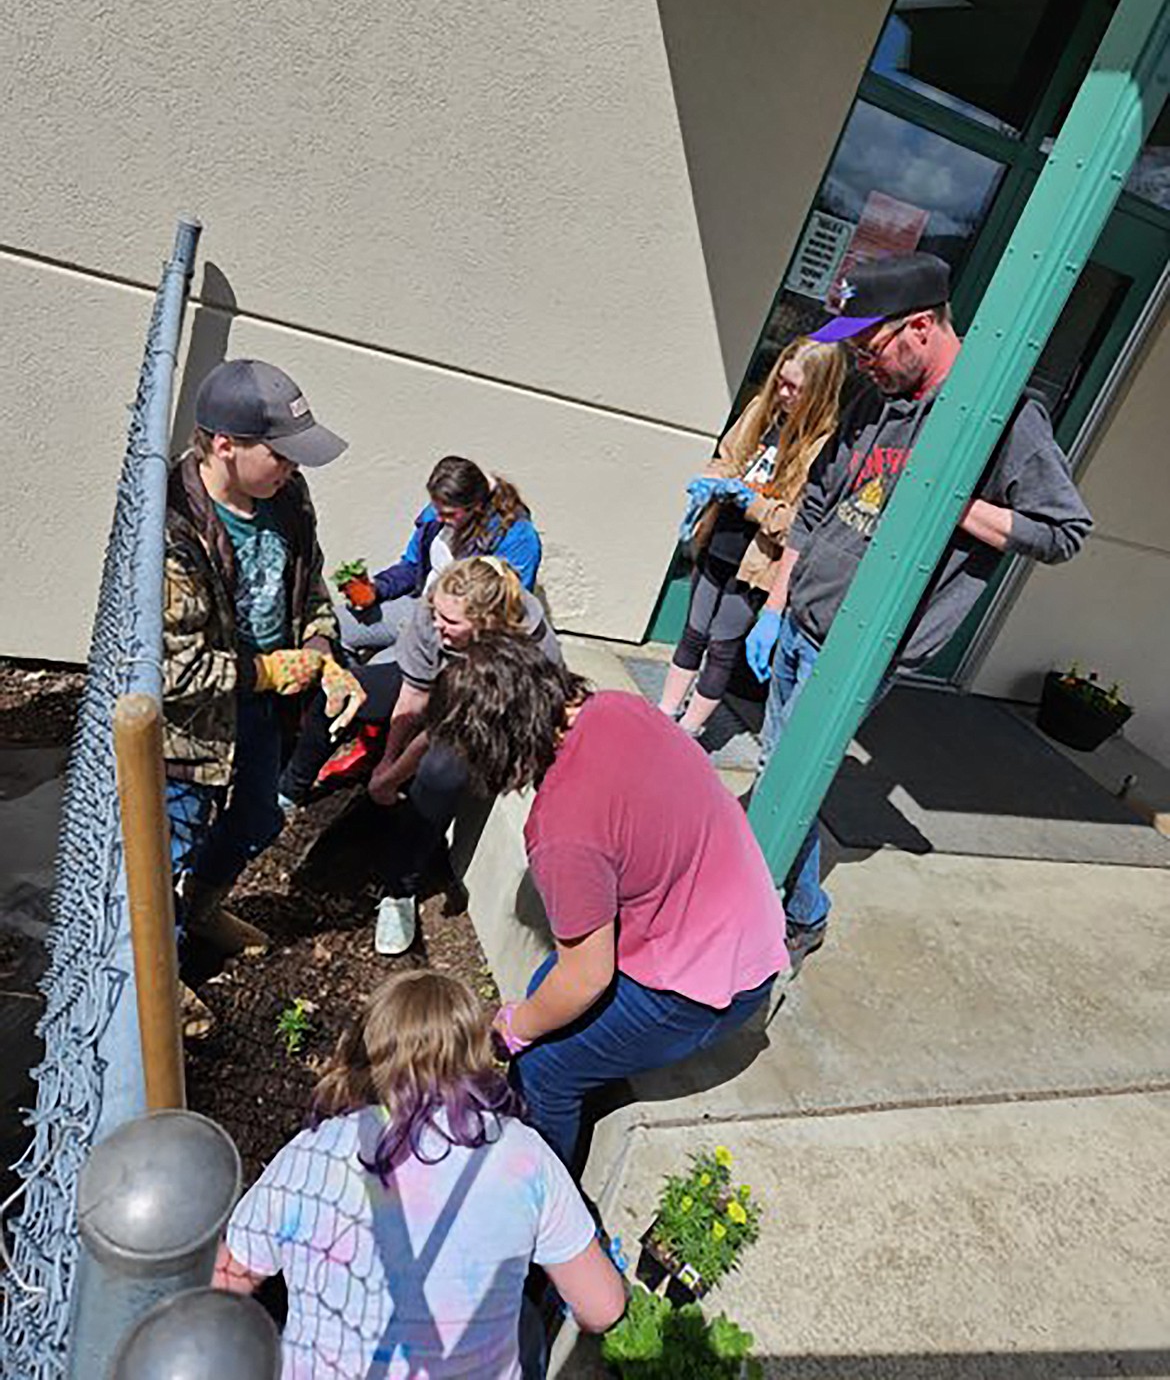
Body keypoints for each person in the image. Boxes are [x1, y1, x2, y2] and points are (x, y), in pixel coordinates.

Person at [745, 251, 1093, 968]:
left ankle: (794, 912)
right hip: (801, 619)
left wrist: (956, 507)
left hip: (864, 644)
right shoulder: (876, 400)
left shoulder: (1000, 414)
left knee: (791, 770)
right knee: (781, 762)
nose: (862, 364)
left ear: (924, 327)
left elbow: (1064, 531)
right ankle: (775, 895)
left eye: (870, 348)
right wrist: (775, 602)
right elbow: (817, 503)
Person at [426, 634, 790, 1173]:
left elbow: (588, 977)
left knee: (544, 1066)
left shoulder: (560, 830)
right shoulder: (618, 708)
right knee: (547, 982)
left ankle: (543, 1203)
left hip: (705, 992)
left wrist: (512, 1028)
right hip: (745, 931)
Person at [215, 970, 625, 1379]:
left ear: (367, 1052)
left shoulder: (308, 1155)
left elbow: (225, 1287)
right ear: (474, 1057)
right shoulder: (522, 1154)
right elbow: (602, 1310)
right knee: (529, 1325)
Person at [163, 359, 363, 1036]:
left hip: (258, 709)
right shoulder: (172, 531)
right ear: (224, 444)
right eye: (278, 454)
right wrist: (271, 674)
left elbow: (311, 591)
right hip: (188, 727)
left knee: (257, 821)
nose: (290, 468)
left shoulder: (288, 497)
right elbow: (173, 671)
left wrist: (325, 655)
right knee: (167, 851)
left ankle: (201, 911)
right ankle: (160, 981)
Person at [280, 557, 562, 954]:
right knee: (343, 690)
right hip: (449, 698)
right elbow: (414, 696)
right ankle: (290, 789)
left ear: (485, 623)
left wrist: (392, 776)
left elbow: (439, 731)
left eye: (451, 621)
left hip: (493, 719)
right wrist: (385, 761)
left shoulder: (523, 646)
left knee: (441, 771)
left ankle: (400, 889)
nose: (437, 625)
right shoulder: (436, 614)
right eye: (436, 613)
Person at [659, 336, 847, 736]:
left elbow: (800, 524)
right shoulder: (761, 411)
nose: (783, 393)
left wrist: (751, 503)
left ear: (820, 390)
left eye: (795, 388)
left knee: (722, 648)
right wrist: (708, 483)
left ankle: (687, 731)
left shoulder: (824, 447)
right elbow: (726, 459)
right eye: (781, 381)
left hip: (758, 564)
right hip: (719, 541)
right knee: (693, 633)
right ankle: (665, 714)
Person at [340, 455, 543, 661]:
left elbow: (508, 608)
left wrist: (445, 628)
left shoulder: (517, 537)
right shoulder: (437, 513)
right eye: (436, 508)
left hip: (460, 632)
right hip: (419, 607)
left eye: (448, 514)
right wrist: (377, 588)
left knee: (377, 667)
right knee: (335, 624)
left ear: (476, 507)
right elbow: (412, 565)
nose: (438, 518)